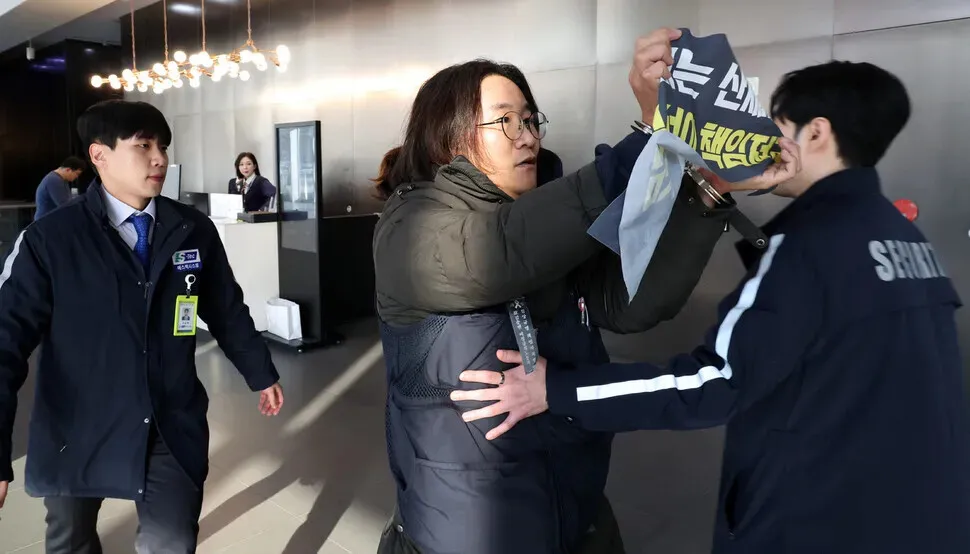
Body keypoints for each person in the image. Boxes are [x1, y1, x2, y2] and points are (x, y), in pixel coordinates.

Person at [454, 60, 970, 554]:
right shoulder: (906, 239)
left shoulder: (808, 248)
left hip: (822, 522)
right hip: (920, 514)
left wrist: (558, 389)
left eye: (777, 124)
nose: (765, 141)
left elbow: (712, 384)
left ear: (815, 133)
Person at [372, 28, 799, 554]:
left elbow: (630, 303)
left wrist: (710, 191)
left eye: (530, 119)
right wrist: (651, 133)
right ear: (446, 136)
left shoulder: (550, 219)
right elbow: (499, 252)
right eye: (505, 120)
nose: (528, 135)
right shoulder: (411, 227)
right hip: (466, 535)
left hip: (580, 516)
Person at [0, 100, 285, 553]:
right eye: (143, 145)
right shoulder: (51, 240)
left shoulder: (191, 229)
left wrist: (260, 370)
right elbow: (6, 343)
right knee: (69, 541)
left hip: (168, 419)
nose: (160, 159)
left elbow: (225, 307)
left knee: (171, 542)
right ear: (99, 156)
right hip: (77, 427)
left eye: (164, 146)